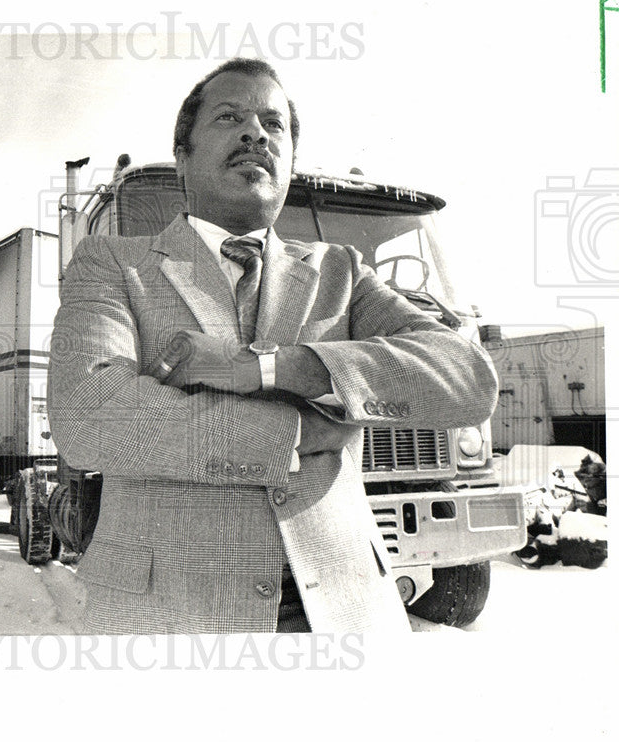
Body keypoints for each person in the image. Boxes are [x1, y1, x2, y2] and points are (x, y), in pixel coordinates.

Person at [48, 57, 498, 633]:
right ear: (182, 154)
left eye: (273, 123)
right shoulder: (112, 264)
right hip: (167, 620)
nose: (256, 133)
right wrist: (301, 433)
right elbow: (91, 418)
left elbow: (469, 378)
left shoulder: (342, 272)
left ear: (288, 159)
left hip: (342, 616)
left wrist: (267, 368)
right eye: (230, 116)